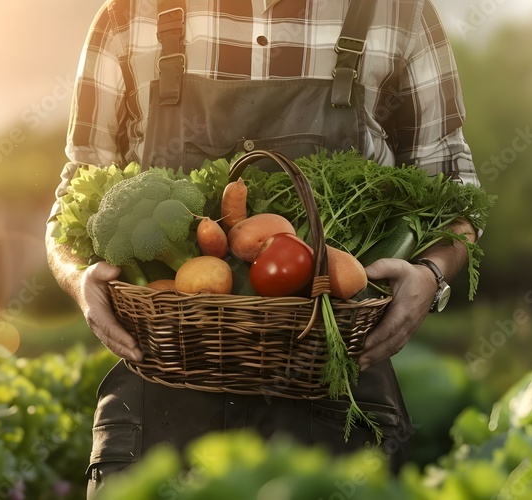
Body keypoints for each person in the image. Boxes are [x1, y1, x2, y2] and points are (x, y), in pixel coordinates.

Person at [44, 0, 480, 496]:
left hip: (338, 384)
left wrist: (431, 274)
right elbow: (72, 203)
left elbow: (455, 196)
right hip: (159, 389)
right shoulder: (128, 16)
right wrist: (79, 280)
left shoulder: (396, 13)